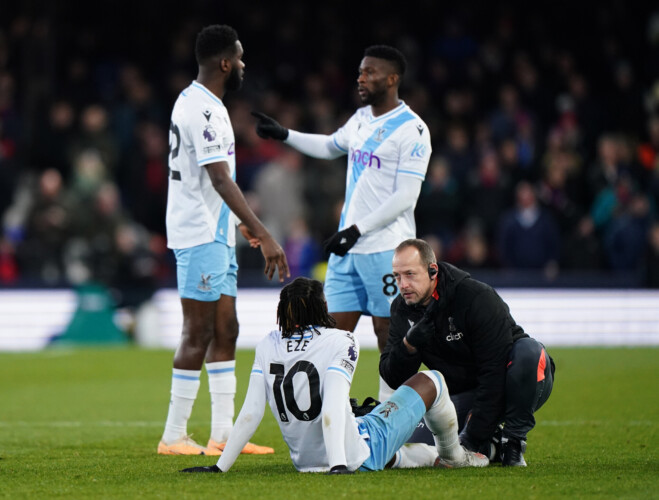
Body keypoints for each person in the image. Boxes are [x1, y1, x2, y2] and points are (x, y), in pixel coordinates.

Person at [252, 45, 432, 401]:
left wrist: (357, 229)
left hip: (385, 249)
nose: (361, 78)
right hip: (347, 249)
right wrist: (285, 134)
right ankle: (329, 413)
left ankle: (391, 415)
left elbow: (406, 196)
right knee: (330, 335)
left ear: (392, 79)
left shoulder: (413, 130)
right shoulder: (362, 117)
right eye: (360, 71)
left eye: (370, 72)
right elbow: (330, 145)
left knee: (388, 332)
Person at [180, 277, 488, 474]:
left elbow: (251, 412)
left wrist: (219, 467)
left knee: (382, 438)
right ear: (323, 306)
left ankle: (432, 456)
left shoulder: (268, 343)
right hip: (350, 455)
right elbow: (332, 407)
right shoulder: (341, 339)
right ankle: (455, 456)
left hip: (305, 462)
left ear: (283, 311)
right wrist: (339, 465)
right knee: (432, 380)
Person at [158, 24, 289, 456]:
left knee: (226, 328)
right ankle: (173, 436)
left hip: (216, 231)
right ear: (225, 63)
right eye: (241, 57)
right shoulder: (204, 111)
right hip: (199, 233)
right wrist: (263, 231)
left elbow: (211, 180)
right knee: (197, 331)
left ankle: (223, 434)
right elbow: (218, 178)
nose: (244, 64)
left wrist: (238, 224)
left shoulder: (200, 102)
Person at [380, 239, 555, 467]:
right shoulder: (401, 308)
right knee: (413, 443)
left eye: (410, 274)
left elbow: (494, 373)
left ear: (433, 271)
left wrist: (471, 437)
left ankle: (513, 441)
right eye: (397, 276)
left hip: (513, 384)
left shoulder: (475, 297)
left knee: (529, 352)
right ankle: (491, 445)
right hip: (462, 394)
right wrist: (409, 345)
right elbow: (392, 376)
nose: (403, 285)